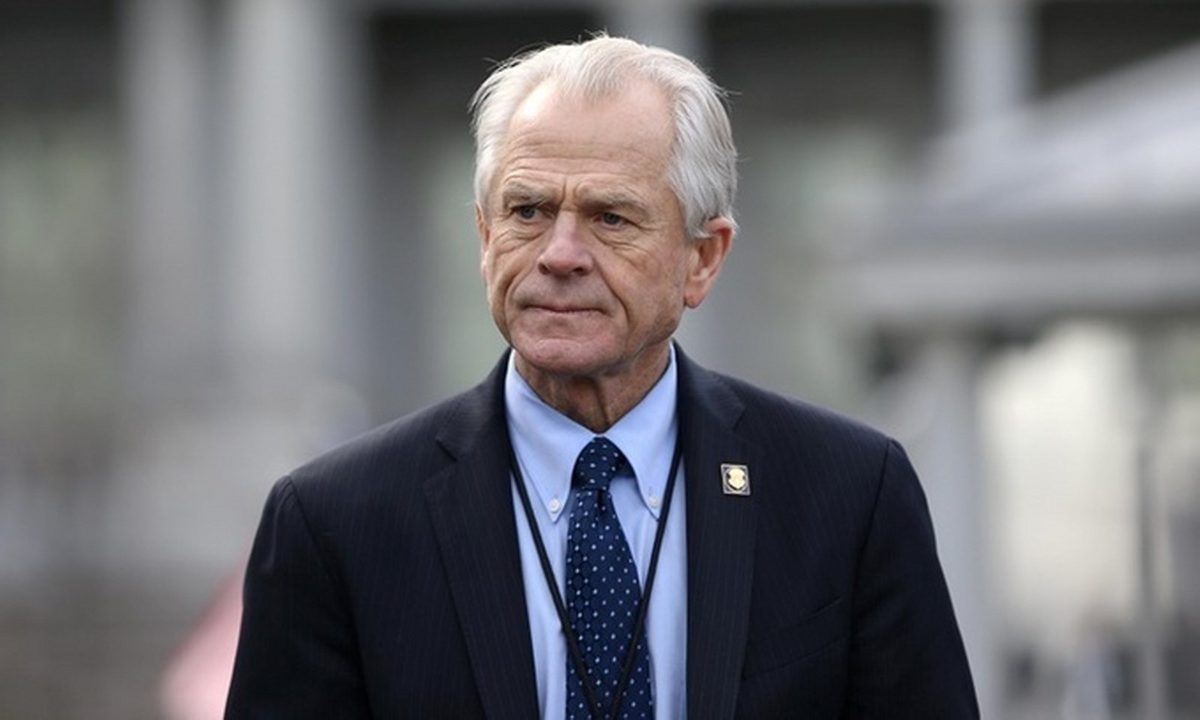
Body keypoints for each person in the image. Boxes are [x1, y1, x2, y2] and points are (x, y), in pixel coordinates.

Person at [225, 35, 978, 719]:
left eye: (611, 218)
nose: (560, 254)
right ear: (485, 238)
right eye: (527, 210)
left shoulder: (848, 494)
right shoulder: (335, 522)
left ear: (702, 259)